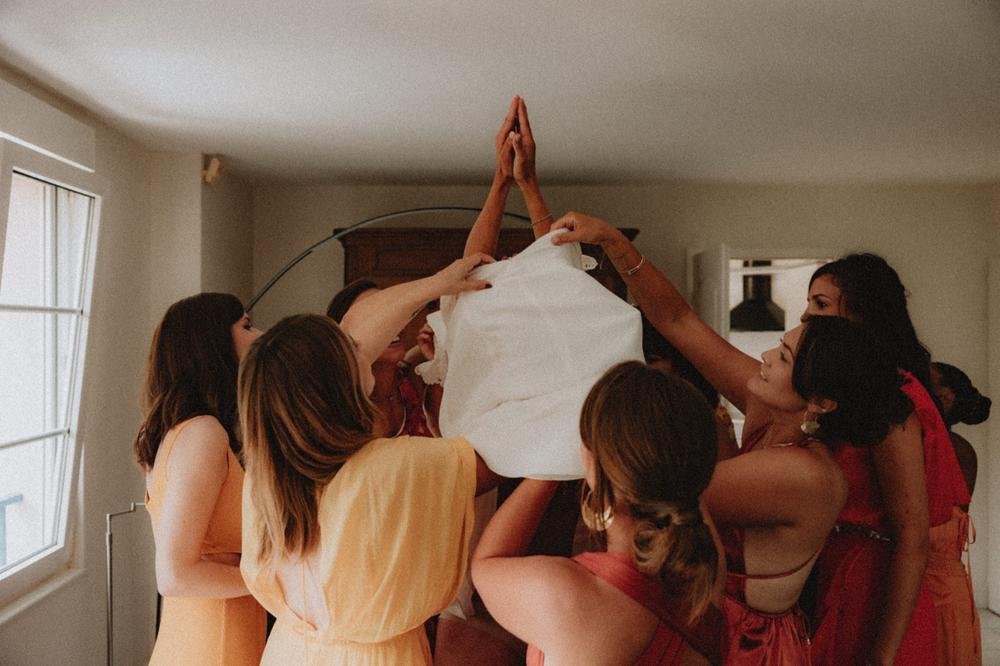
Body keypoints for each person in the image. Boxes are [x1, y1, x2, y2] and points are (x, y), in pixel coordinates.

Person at [548, 212, 937, 663]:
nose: (766, 354)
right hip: (710, 616)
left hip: (742, 642)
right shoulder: (767, 402)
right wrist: (613, 241)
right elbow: (678, 320)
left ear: (820, 401)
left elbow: (649, 492)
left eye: (784, 355)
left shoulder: (803, 471)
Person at [238, 255, 500, 664]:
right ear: (336, 382)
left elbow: (360, 327)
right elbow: (503, 454)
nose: (364, 346)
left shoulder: (265, 474)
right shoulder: (394, 466)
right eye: (354, 350)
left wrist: (438, 283)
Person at [472, 362, 725, 664]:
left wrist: (551, 465)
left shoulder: (565, 596)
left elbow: (486, 566)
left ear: (593, 464)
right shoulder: (706, 571)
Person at [803, 254, 971, 664]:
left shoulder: (890, 397)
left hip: (877, 589)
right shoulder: (853, 391)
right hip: (844, 575)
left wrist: (882, 656)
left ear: (861, 315)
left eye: (820, 304)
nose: (806, 316)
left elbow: (912, 534)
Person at [134, 293, 266, 665]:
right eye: (246, 325)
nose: (260, 334)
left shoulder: (185, 431)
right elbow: (174, 575)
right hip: (214, 644)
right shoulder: (202, 434)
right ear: (212, 343)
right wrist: (272, 580)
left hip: (209, 636)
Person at [927, 361, 990, 664]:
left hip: (940, 596)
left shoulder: (953, 450)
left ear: (946, 398)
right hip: (937, 591)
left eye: (923, 381)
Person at [326, 278, 440, 438]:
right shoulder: (342, 408)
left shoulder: (415, 368)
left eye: (391, 312)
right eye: (374, 319)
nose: (391, 326)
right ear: (345, 337)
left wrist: (438, 362)